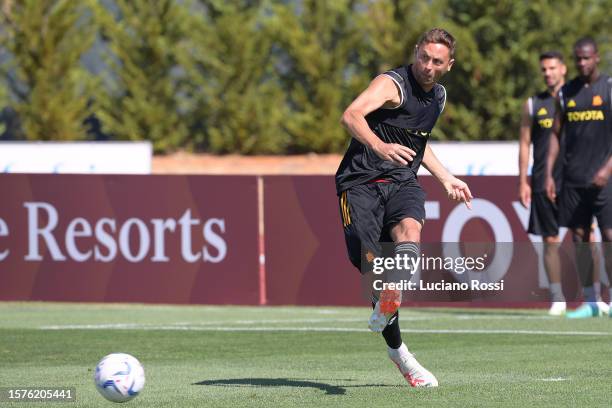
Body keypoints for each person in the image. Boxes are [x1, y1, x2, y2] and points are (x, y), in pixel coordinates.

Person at [336, 28, 472, 388]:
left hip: (402, 181)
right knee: (370, 267)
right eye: (423, 57)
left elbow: (417, 141)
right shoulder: (392, 84)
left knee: (411, 232)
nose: (427, 66)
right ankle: (399, 352)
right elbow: (350, 116)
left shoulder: (438, 98)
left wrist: (445, 178)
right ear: (416, 52)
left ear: (449, 66)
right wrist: (380, 147)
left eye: (436, 61)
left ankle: (393, 289)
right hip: (360, 182)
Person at [545, 37, 612, 319]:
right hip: (573, 179)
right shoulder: (566, 93)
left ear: (596, 57)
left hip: (605, 180)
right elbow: (556, 134)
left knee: (609, 237)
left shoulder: (608, 88)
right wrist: (549, 173)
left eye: (587, 58)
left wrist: (607, 170)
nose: (582, 63)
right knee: (581, 239)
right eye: (578, 59)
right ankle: (591, 301)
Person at [518, 51, 567, 315]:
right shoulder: (533, 104)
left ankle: (596, 297)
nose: (548, 73)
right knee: (550, 240)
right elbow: (525, 144)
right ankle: (558, 297)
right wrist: (523, 180)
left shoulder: (578, 101)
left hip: (574, 180)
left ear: (563, 69)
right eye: (544, 69)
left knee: (589, 236)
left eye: (552, 68)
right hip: (541, 179)